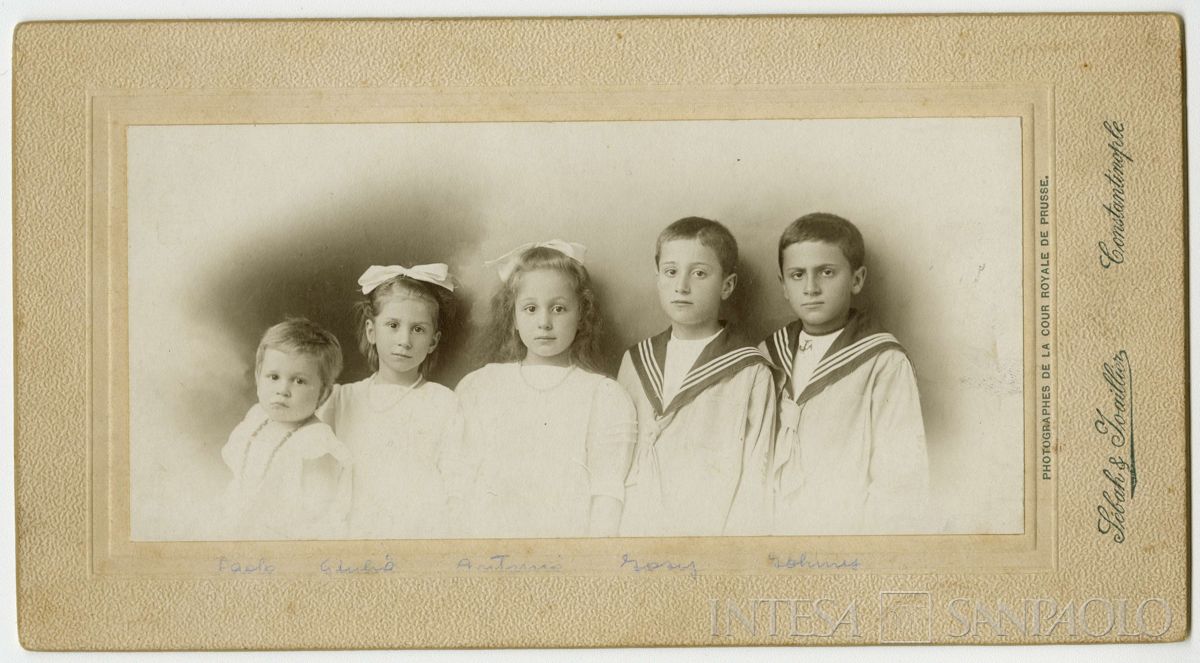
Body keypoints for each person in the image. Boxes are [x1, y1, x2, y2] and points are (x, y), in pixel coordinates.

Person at [760, 212, 930, 535]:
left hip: (848, 534)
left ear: (857, 279)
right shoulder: (768, 355)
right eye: (797, 275)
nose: (811, 288)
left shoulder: (882, 362)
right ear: (783, 285)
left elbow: (900, 479)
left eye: (826, 272)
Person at [456, 241, 636, 538]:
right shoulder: (480, 387)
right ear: (512, 317)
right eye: (530, 308)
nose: (544, 322)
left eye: (559, 308)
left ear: (582, 315)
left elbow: (607, 495)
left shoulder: (603, 396)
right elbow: (460, 482)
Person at [618, 217, 776, 537]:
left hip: (712, 534)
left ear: (727, 285)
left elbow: (757, 475)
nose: (682, 286)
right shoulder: (635, 362)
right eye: (671, 271)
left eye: (699, 273)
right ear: (658, 278)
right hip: (637, 531)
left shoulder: (749, 370)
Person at [317, 263, 466, 539]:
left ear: (433, 341)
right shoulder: (342, 399)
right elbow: (320, 475)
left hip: (420, 533)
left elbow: (456, 480)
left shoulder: (442, 402)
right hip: (354, 532)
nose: (404, 340)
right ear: (372, 331)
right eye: (393, 325)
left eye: (418, 329)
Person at [222, 317, 352, 539]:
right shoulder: (257, 417)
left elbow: (317, 510)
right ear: (257, 377)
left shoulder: (316, 442)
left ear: (323, 393)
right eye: (273, 377)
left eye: (299, 381)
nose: (283, 389)